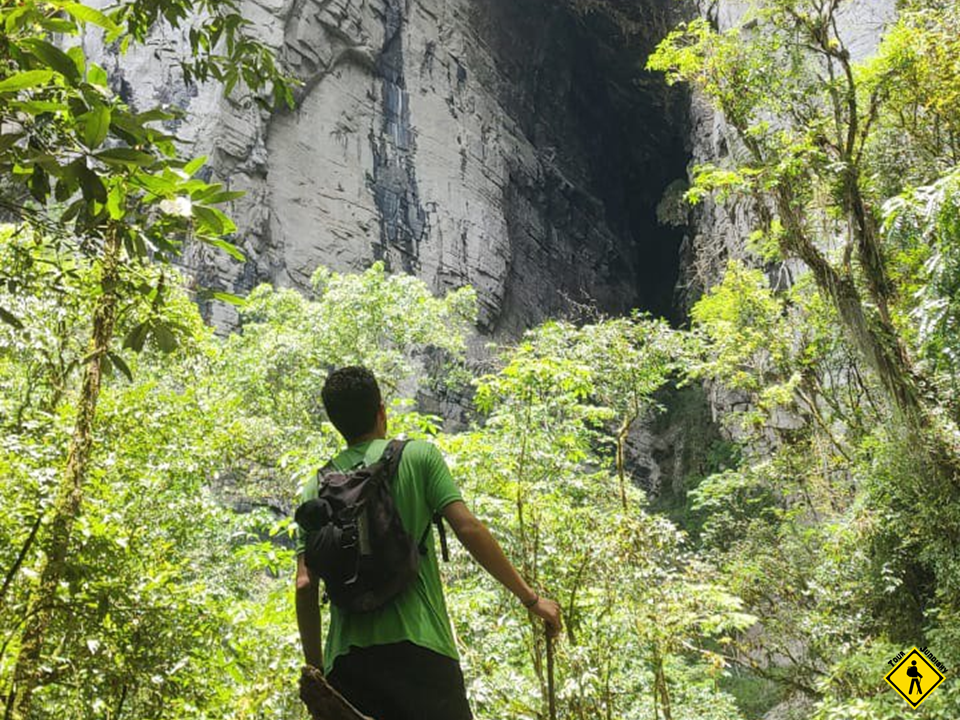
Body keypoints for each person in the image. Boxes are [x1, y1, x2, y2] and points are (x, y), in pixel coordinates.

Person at [295, 365, 562, 720]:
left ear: (335, 422)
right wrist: (531, 599)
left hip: (349, 666)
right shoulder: (419, 456)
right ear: (381, 411)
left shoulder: (316, 487)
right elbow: (468, 529)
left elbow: (304, 584)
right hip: (422, 652)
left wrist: (318, 673)